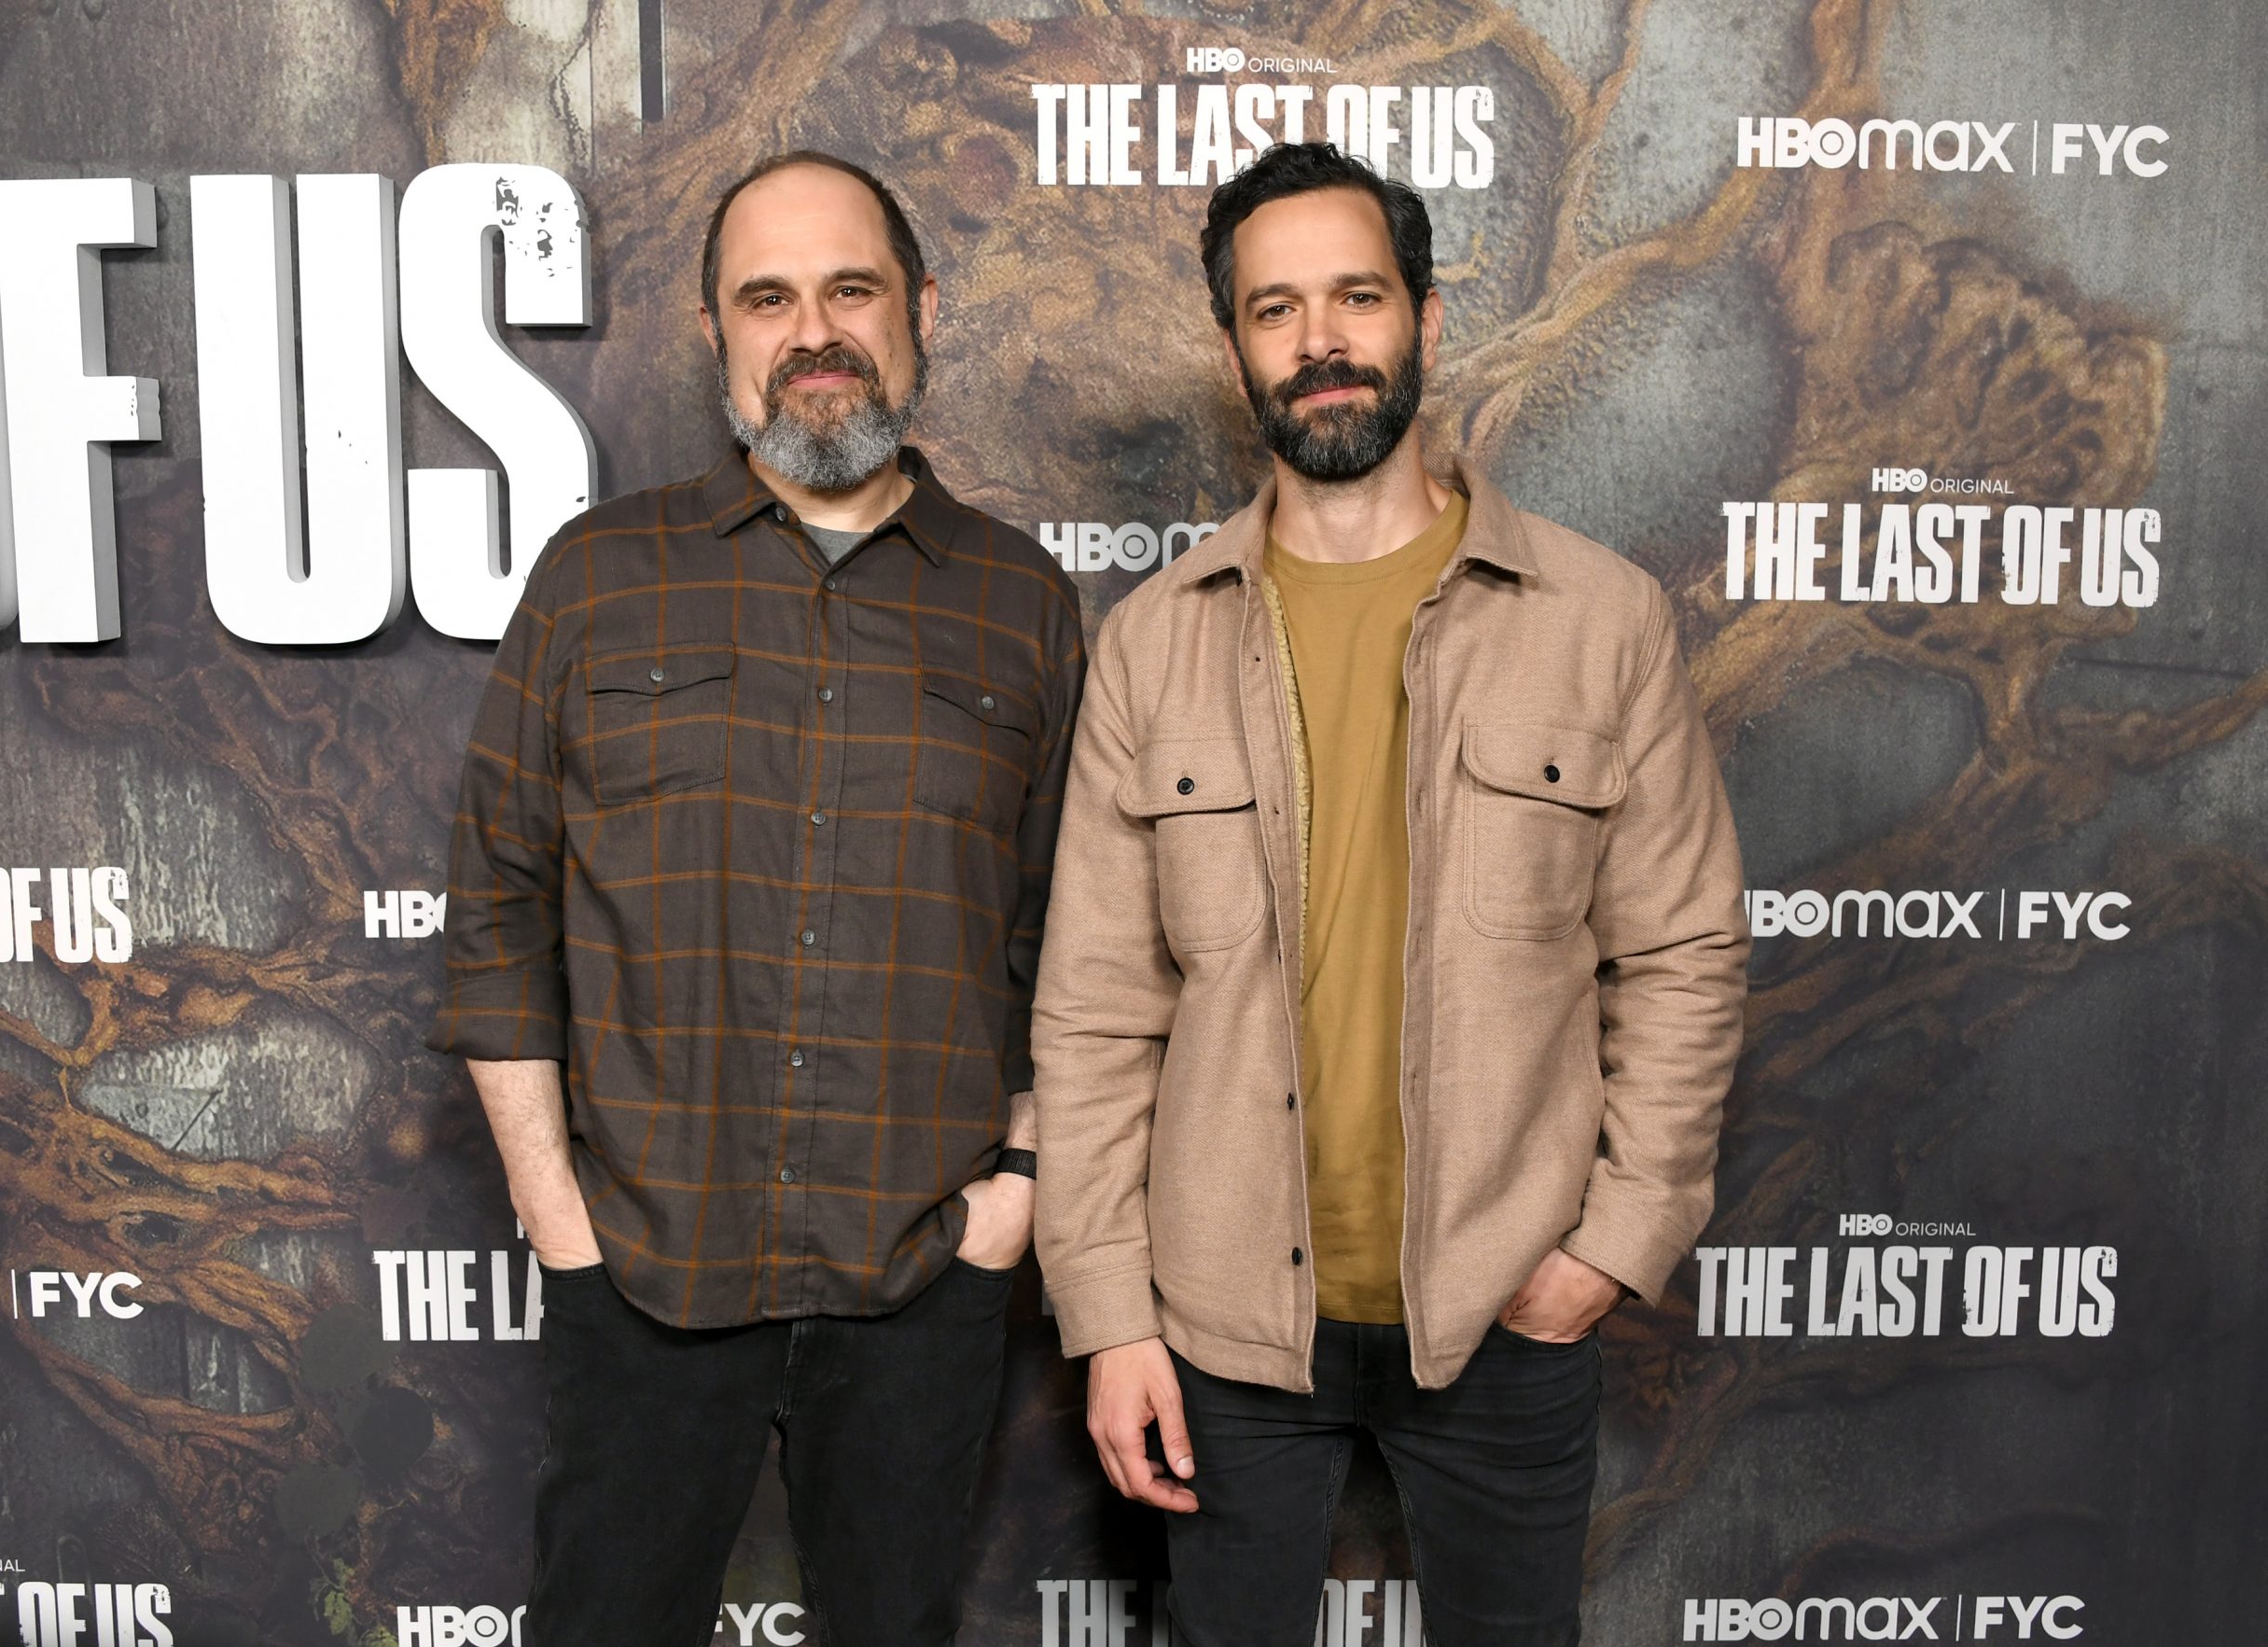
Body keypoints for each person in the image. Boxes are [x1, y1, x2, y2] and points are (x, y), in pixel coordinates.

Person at [1031, 142, 1747, 1646]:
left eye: (1357, 296)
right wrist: (1109, 1314)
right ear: (1234, 347)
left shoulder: (1600, 620)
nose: (1321, 341)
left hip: (1507, 1304)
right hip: (1222, 1323)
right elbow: (1096, 1010)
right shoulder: (1152, 644)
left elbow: (1682, 951)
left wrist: (1615, 1238)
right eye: (1275, 309)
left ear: (1423, 314)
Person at [428, 150, 1085, 1647]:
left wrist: (1014, 1200)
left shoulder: (1020, 600)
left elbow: (1075, 937)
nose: (814, 333)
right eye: (768, 298)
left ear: (920, 308)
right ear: (717, 331)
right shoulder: (599, 578)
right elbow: (499, 907)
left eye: (851, 289)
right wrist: (556, 1215)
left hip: (921, 1274)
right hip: (643, 1266)